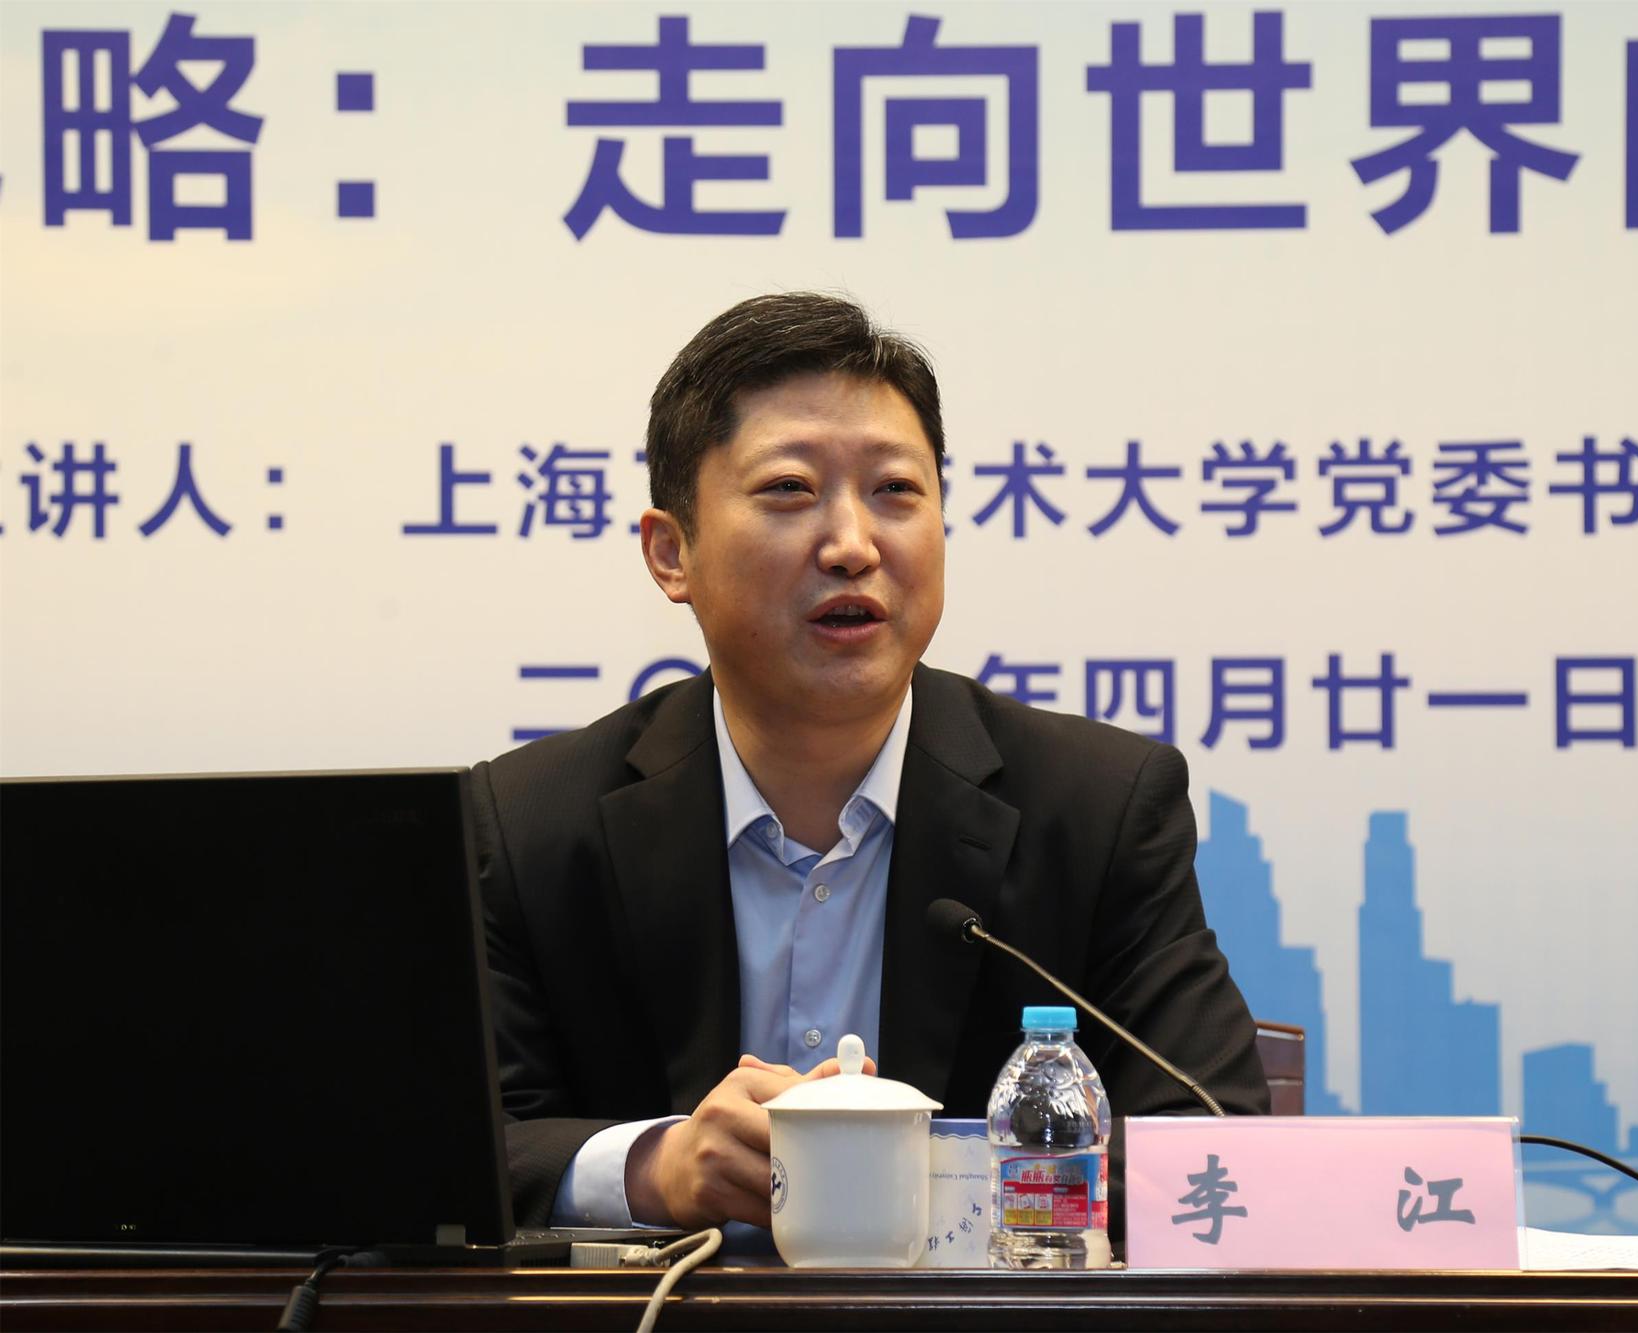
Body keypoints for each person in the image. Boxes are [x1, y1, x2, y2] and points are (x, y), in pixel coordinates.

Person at [471, 292, 1268, 1233]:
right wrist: (652, 1167)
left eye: (895, 491)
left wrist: (910, 1178)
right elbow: (450, 1149)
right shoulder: (526, 823)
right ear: (671, 552)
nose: (853, 545)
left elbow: (1207, 1138)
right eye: (788, 490)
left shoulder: (1097, 809)